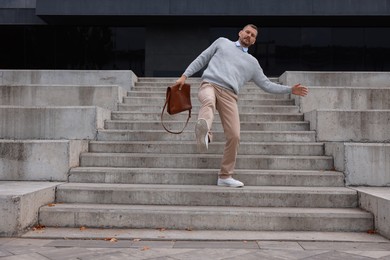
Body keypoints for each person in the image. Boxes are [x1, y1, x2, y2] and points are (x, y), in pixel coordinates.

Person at [176, 24, 308, 188]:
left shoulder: (252, 63)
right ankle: (205, 134)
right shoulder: (222, 42)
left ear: (253, 41)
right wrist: (184, 76)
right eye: (247, 32)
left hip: (230, 95)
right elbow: (202, 58)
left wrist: (290, 89)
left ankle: (224, 176)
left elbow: (266, 84)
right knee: (208, 102)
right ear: (240, 33)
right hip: (209, 84)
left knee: (234, 135)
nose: (249, 36)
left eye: (253, 35)